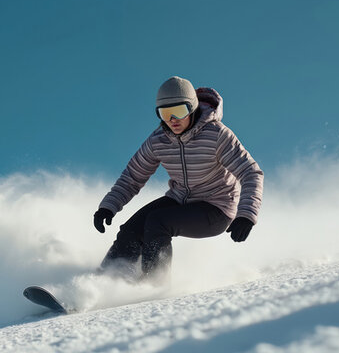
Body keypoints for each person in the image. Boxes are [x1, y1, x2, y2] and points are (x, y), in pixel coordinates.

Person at [93, 76, 264, 281]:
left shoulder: (217, 135)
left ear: (191, 107)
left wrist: (246, 215)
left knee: (158, 222)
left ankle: (154, 284)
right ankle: (105, 281)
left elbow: (250, 173)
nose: (173, 119)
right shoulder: (158, 140)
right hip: (181, 199)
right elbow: (132, 177)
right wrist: (108, 206)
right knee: (132, 228)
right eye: (165, 113)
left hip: (217, 207)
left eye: (179, 111)